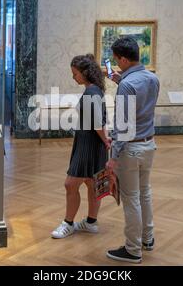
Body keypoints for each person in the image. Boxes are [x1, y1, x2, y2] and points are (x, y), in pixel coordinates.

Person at [105, 37, 160, 264]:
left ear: (124, 59)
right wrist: (120, 81)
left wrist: (113, 158)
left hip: (130, 148)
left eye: (117, 60)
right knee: (144, 193)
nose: (116, 65)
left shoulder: (128, 85)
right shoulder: (152, 78)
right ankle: (147, 239)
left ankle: (133, 249)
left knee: (131, 199)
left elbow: (124, 127)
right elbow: (140, 103)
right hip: (149, 144)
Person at [51, 54, 111, 239]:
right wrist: (106, 141)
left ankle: (68, 223)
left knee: (70, 184)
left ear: (85, 73)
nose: (73, 77)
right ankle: (91, 222)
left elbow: (97, 123)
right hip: (93, 142)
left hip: (90, 143)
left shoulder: (91, 92)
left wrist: (106, 140)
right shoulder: (95, 90)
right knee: (93, 184)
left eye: (75, 74)